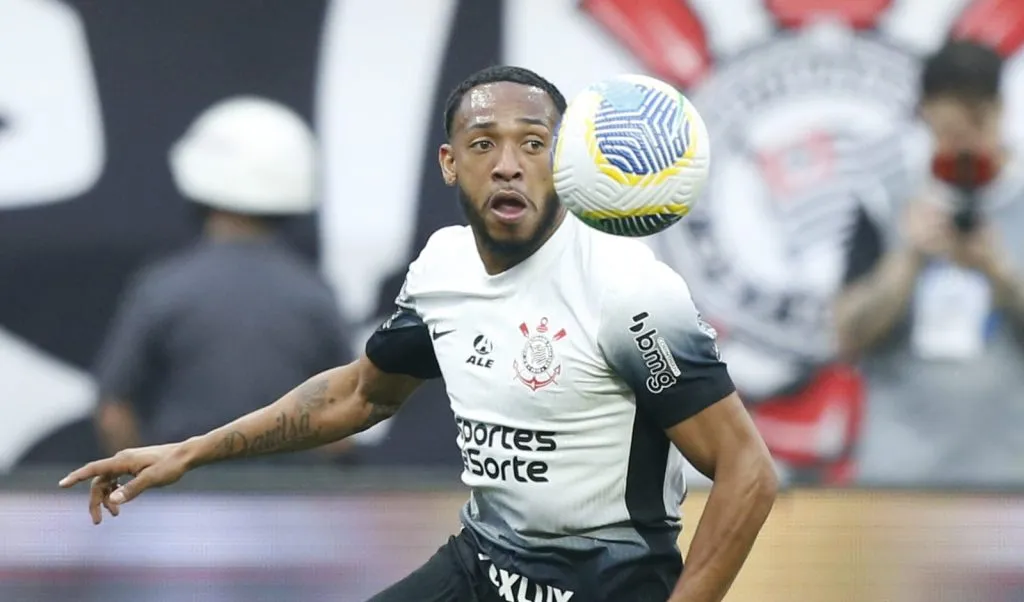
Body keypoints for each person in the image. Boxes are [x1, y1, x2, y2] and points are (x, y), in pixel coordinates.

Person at [61, 67, 778, 602]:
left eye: (534, 143)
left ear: (564, 161)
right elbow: (358, 397)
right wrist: (191, 451)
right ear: (449, 163)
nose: (507, 163)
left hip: (605, 585)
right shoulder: (443, 267)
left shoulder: (629, 292)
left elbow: (747, 472)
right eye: (483, 143)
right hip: (481, 568)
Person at [91, 96, 353, 460]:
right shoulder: (314, 294)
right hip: (294, 503)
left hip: (184, 499)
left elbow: (114, 411)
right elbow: (347, 417)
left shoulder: (163, 287)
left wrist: (144, 487)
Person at [836, 40, 1024, 485]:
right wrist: (908, 258)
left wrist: (1002, 274)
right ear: (926, 117)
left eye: (975, 125)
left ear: (999, 111)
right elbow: (846, 334)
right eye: (948, 131)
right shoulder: (884, 201)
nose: (964, 147)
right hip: (899, 478)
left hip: (1009, 477)